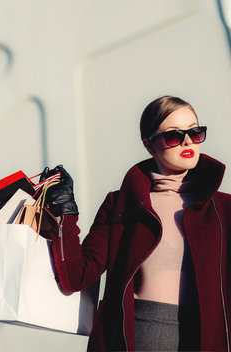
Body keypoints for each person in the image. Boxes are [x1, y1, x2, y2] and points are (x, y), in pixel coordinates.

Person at [41, 96, 231, 351]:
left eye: (195, 132)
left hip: (204, 340)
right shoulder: (122, 204)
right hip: (137, 338)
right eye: (174, 136)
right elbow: (77, 277)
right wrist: (64, 211)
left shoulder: (223, 209)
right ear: (149, 145)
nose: (187, 141)